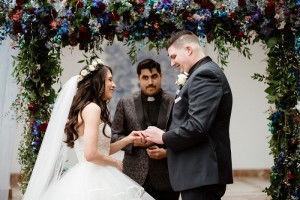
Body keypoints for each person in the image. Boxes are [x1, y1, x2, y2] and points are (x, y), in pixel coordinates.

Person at [22, 58, 154, 200]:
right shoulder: (93, 109)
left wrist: (128, 139)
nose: (113, 85)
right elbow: (90, 155)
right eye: (109, 80)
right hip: (94, 177)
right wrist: (115, 162)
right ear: (97, 82)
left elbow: (102, 150)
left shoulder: (88, 108)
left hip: (92, 173)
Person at [143, 30, 233, 200]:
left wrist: (163, 137)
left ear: (189, 50)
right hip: (197, 174)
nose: (172, 63)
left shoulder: (205, 75)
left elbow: (197, 126)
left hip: (201, 172)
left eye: (174, 56)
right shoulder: (198, 74)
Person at [111, 59, 180, 200]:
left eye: (154, 76)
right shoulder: (125, 102)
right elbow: (114, 136)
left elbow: (183, 136)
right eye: (145, 78)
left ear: (160, 76)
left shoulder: (175, 102)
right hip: (134, 178)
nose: (150, 82)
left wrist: (167, 153)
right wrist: (133, 142)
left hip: (167, 178)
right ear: (138, 79)